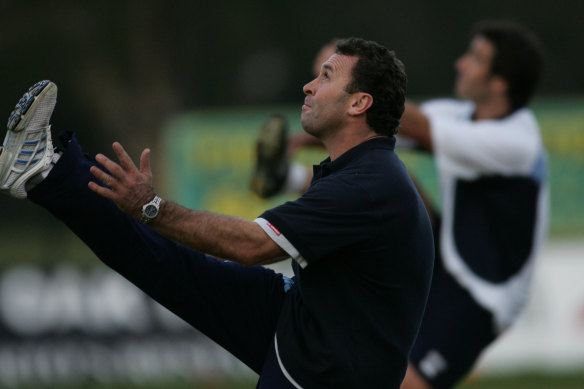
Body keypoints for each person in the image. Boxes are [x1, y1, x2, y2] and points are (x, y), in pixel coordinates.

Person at [0, 37, 434, 388]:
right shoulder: (362, 171)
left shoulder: (368, 184)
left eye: (325, 76)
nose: (309, 86)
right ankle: (45, 172)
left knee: (162, 254)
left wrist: (152, 207)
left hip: (327, 373)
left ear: (358, 104)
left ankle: (50, 174)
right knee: (161, 262)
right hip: (306, 321)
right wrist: (148, 210)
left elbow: (250, 245)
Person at [251, 21, 548, 389]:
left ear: (500, 82)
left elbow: (407, 122)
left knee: (409, 384)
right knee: (384, 174)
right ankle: (288, 180)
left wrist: (354, 76)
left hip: (483, 294)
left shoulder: (517, 141)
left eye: (476, 58)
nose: (461, 64)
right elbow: (379, 128)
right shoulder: (459, 116)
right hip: (444, 256)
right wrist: (298, 143)